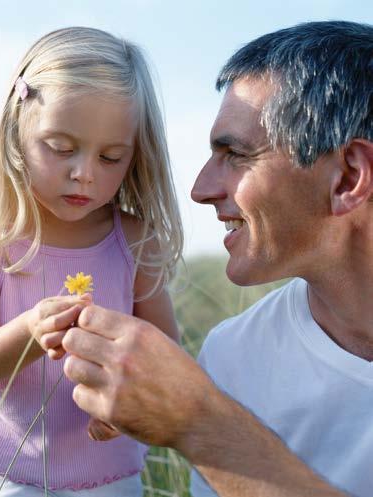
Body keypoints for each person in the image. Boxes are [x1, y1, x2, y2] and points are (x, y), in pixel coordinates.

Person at [62, 20, 373, 497]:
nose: (200, 190)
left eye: (235, 155)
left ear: (348, 178)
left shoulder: (206, 402)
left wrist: (202, 426)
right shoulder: (233, 357)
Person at [0, 27, 182, 497]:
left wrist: (128, 398)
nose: (84, 173)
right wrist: (31, 330)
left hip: (110, 470)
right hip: (10, 470)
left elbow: (165, 352)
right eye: (61, 148)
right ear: (17, 131)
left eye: (111, 157)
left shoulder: (134, 240)